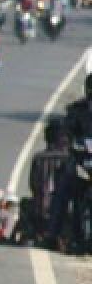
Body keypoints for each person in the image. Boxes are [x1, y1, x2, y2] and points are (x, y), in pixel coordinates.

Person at [48, 75, 92, 252]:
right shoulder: (76, 110)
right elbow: (66, 134)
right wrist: (71, 144)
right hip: (81, 162)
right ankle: (53, 233)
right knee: (63, 190)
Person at [25, 118, 67, 245]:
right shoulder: (69, 158)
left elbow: (32, 184)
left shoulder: (39, 158)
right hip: (62, 213)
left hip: (40, 211)